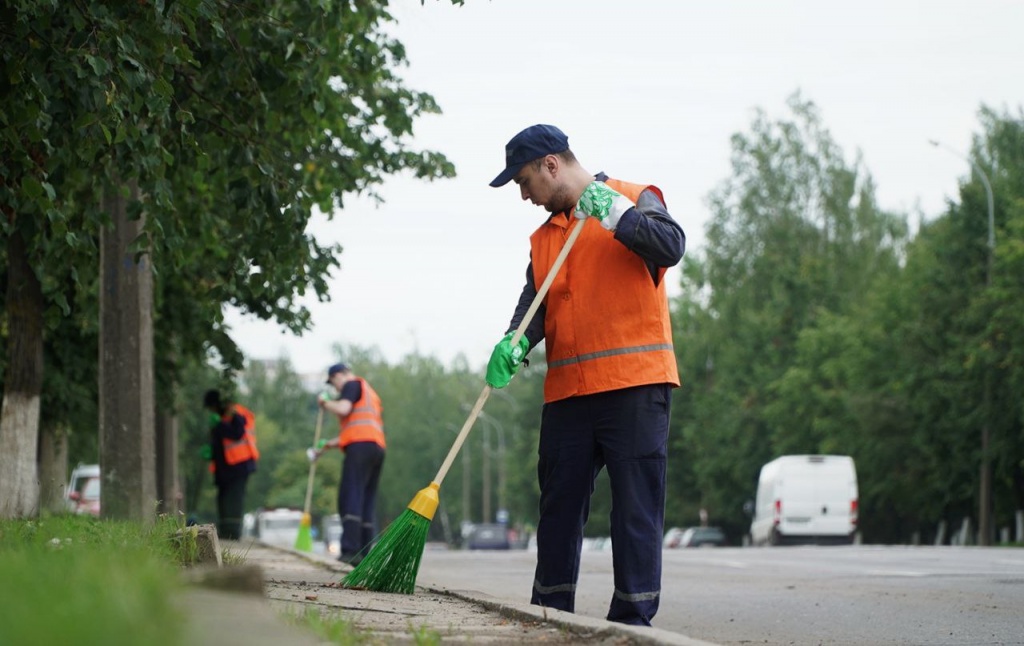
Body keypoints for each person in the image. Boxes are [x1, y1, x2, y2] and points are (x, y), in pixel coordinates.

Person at [486, 124, 684, 626]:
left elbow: (670, 245)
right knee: (557, 513)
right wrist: (515, 341)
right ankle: (551, 617)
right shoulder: (545, 236)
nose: (524, 195)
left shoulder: (635, 198)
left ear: (552, 164)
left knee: (634, 512)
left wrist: (614, 213)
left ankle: (631, 625)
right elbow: (535, 301)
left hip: (635, 387)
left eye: (525, 181)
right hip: (569, 397)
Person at [313, 362, 386, 565]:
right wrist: (328, 445)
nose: (335, 388)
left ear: (339, 375)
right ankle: (363, 552)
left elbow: (344, 409)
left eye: (333, 382)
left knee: (350, 496)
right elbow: (356, 428)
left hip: (360, 449)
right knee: (365, 500)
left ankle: (350, 551)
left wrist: (325, 403)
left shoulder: (352, 384)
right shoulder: (370, 392)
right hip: (376, 448)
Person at [202, 389, 259, 540]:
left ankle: (233, 532)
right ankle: (224, 531)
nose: (211, 411)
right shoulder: (220, 416)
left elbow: (236, 433)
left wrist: (219, 426)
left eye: (212, 407)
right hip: (225, 469)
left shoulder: (235, 413)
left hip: (239, 465)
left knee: (233, 499)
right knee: (223, 499)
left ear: (217, 404)